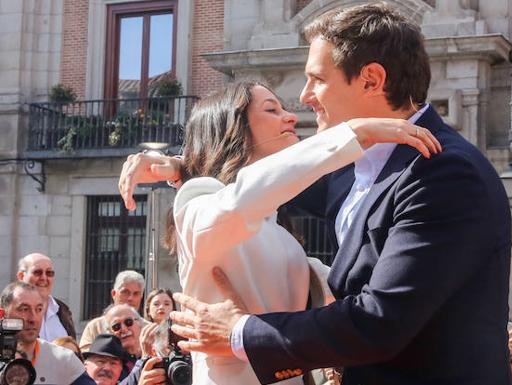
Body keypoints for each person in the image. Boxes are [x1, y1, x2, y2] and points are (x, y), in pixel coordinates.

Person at [119, 4, 510, 385]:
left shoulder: (442, 170)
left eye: (317, 78)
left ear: (372, 79)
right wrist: (184, 164)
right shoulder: (346, 172)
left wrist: (240, 333)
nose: (303, 100)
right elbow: (251, 189)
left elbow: (380, 319)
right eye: (273, 108)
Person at [166, 76, 437, 384]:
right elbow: (236, 205)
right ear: (233, 129)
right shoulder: (198, 199)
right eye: (272, 110)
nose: (291, 116)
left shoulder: (280, 233)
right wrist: (351, 135)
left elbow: (351, 298)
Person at [0, 281, 95, 385]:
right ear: (2, 314)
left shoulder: (64, 360)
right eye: (24, 309)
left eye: (39, 309)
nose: (33, 318)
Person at [80, 270, 146, 351]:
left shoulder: (148, 328)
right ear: (114, 294)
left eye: (136, 294)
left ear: (141, 297)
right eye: (125, 292)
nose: (130, 298)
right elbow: (85, 359)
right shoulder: (95, 327)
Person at [16, 252, 77, 340]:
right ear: (21, 276)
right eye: (37, 272)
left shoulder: (63, 310)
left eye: (49, 273)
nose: (44, 278)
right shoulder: (8, 309)